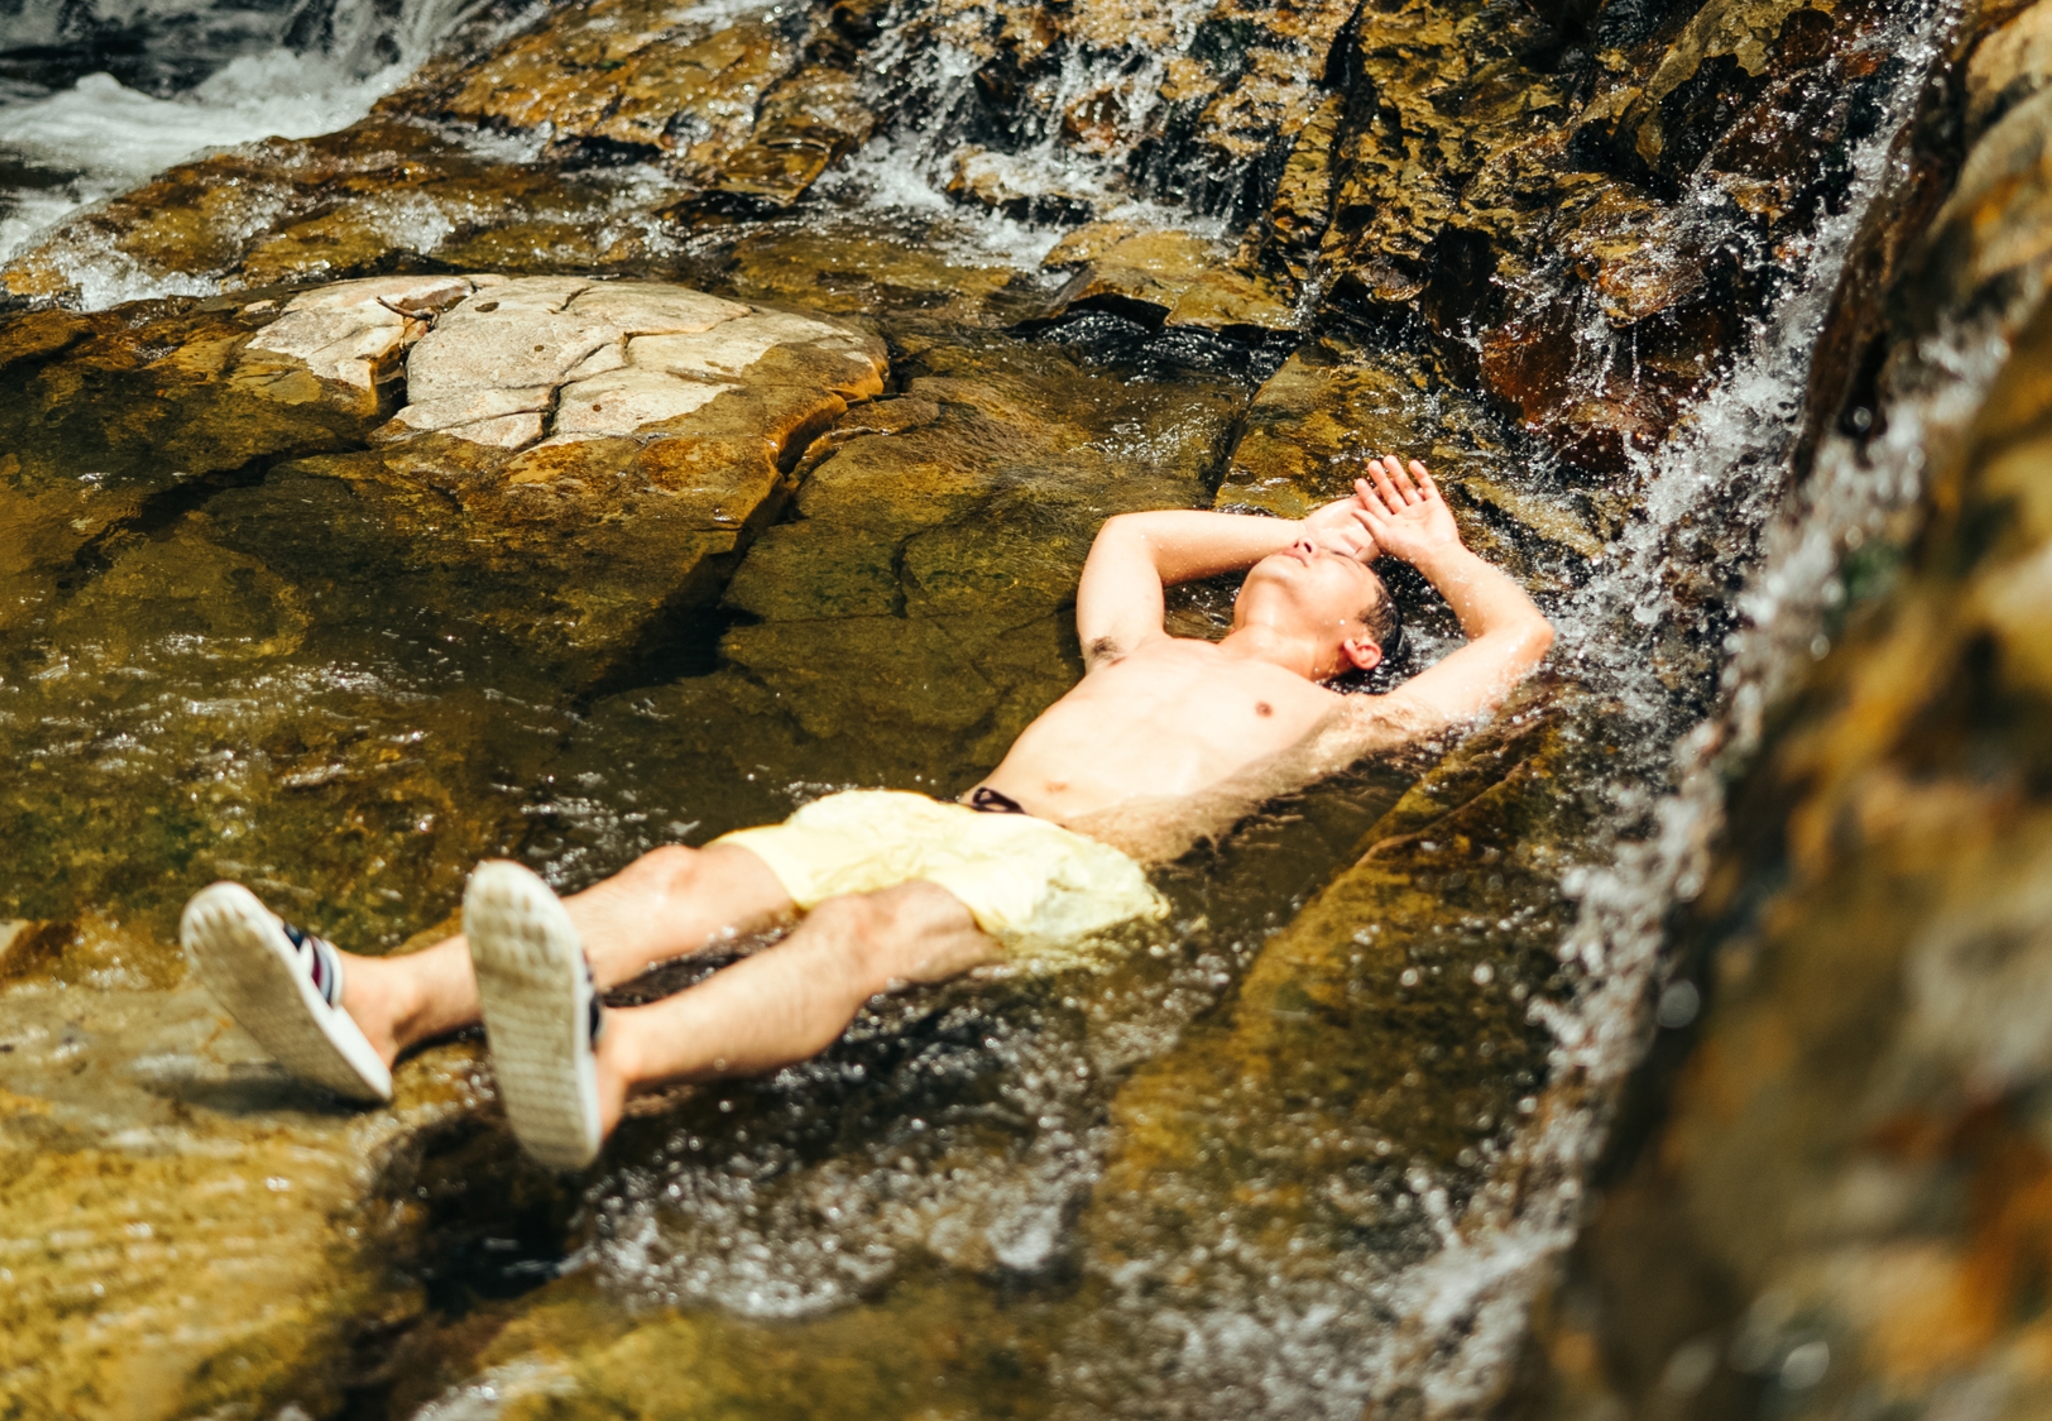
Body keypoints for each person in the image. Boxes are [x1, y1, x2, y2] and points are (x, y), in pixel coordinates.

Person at [181, 456, 1554, 1169]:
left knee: (866, 937)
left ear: (1365, 645)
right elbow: (1130, 538)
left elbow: (1519, 645)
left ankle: (614, 1062)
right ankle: (385, 1002)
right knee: (674, 877)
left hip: (1078, 873)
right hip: (944, 810)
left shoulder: (1343, 717)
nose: (1325, 541)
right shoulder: (1137, 651)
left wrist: (1419, 549)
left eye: (1341, 566)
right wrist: (1296, 533)